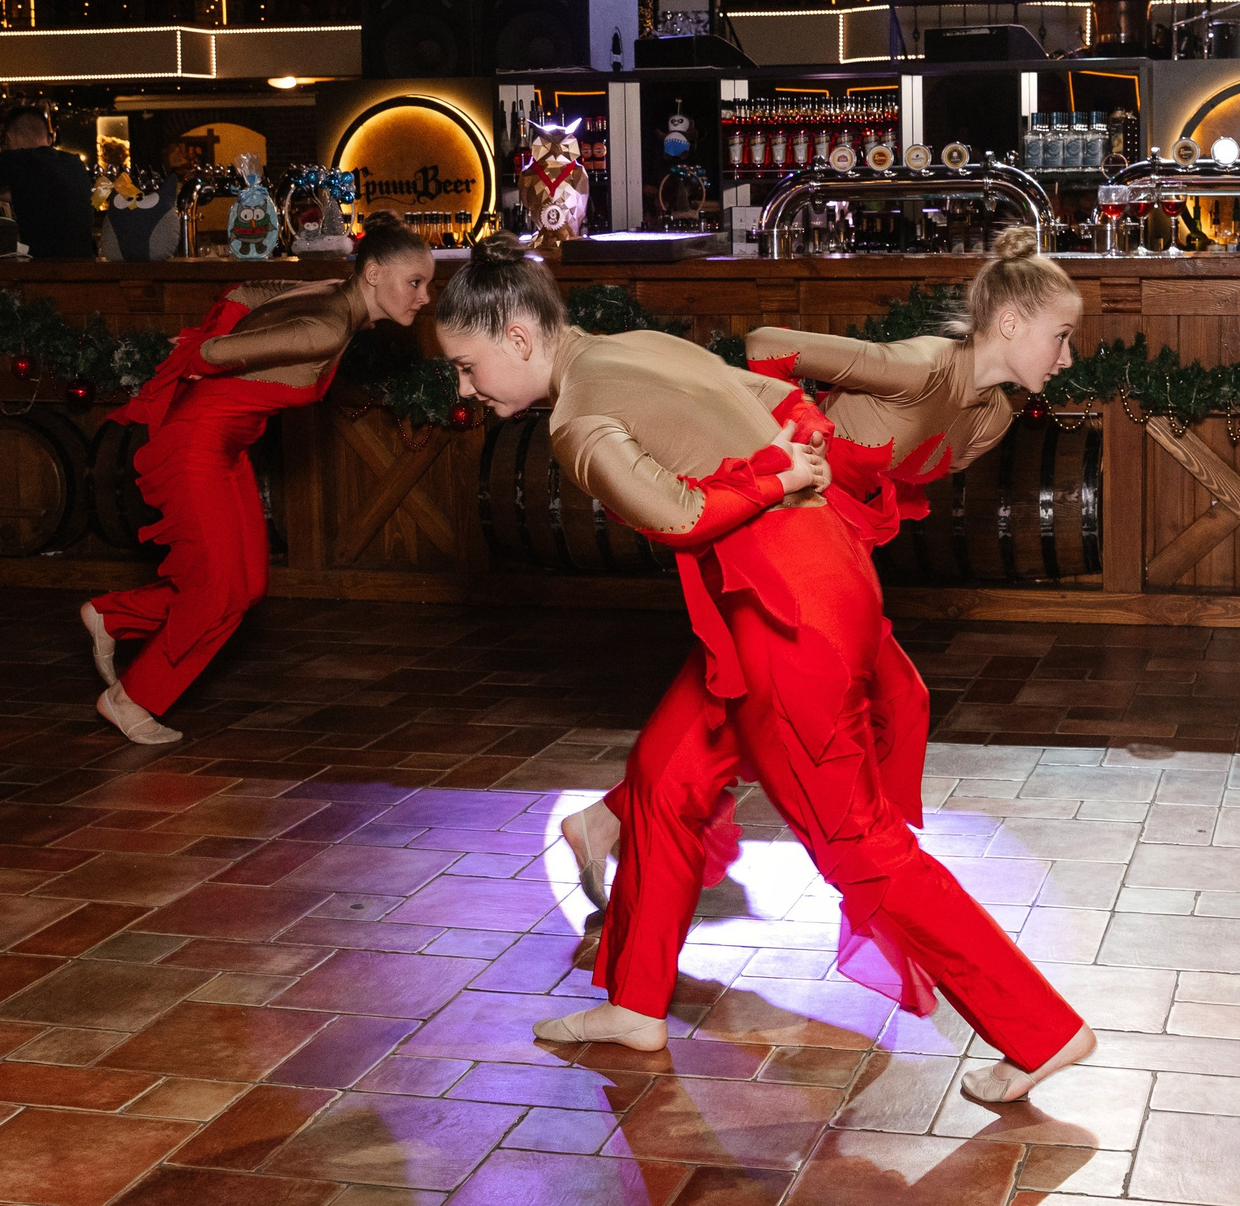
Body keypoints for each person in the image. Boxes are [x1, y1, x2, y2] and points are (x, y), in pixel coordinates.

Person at [434, 239, 1094, 1103]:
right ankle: (635, 1000)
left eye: (466, 365)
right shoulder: (631, 343)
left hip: (788, 613)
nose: (464, 388)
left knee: (855, 843)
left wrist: (774, 479)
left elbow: (676, 515)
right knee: (668, 777)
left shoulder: (574, 418)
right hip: (792, 586)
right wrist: (795, 463)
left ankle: (1041, 1029)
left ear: (518, 339)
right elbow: (773, 392)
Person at [79, 213, 433, 744]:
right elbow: (216, 353)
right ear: (375, 274)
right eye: (416, 282)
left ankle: (113, 615)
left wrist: (212, 345)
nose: (424, 297)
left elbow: (250, 290)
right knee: (220, 590)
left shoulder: (332, 292)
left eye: (426, 284)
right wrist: (199, 354)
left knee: (247, 586)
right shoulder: (330, 323)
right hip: (195, 446)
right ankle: (128, 699)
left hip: (225, 447)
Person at [0, 107, 98, 259]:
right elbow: (43, 194)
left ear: (9, 138)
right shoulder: (74, 163)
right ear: (48, 139)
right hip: (85, 264)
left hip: (42, 267)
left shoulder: (14, 159)